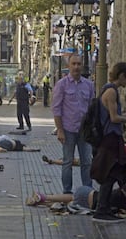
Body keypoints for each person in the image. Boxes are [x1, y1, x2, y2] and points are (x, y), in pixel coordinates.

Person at [90, 62, 126, 223]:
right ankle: (102, 210)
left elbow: (114, 114)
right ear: (122, 75)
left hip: (112, 137)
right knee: (110, 173)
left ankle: (105, 207)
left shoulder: (108, 89)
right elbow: (114, 118)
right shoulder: (111, 92)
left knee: (114, 172)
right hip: (110, 138)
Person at [51, 53, 95, 192]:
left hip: (84, 130)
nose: (76, 67)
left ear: (82, 66)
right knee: (67, 161)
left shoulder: (89, 85)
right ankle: (67, 191)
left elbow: (91, 108)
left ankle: (87, 190)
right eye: (73, 64)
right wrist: (60, 130)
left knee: (87, 161)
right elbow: (56, 108)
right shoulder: (61, 85)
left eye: (79, 64)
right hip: (68, 129)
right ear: (68, 66)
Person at [25, 183, 126, 215]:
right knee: (66, 205)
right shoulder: (124, 203)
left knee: (70, 198)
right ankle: (42, 202)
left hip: (89, 192)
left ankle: (43, 197)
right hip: (88, 204)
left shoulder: (118, 192)